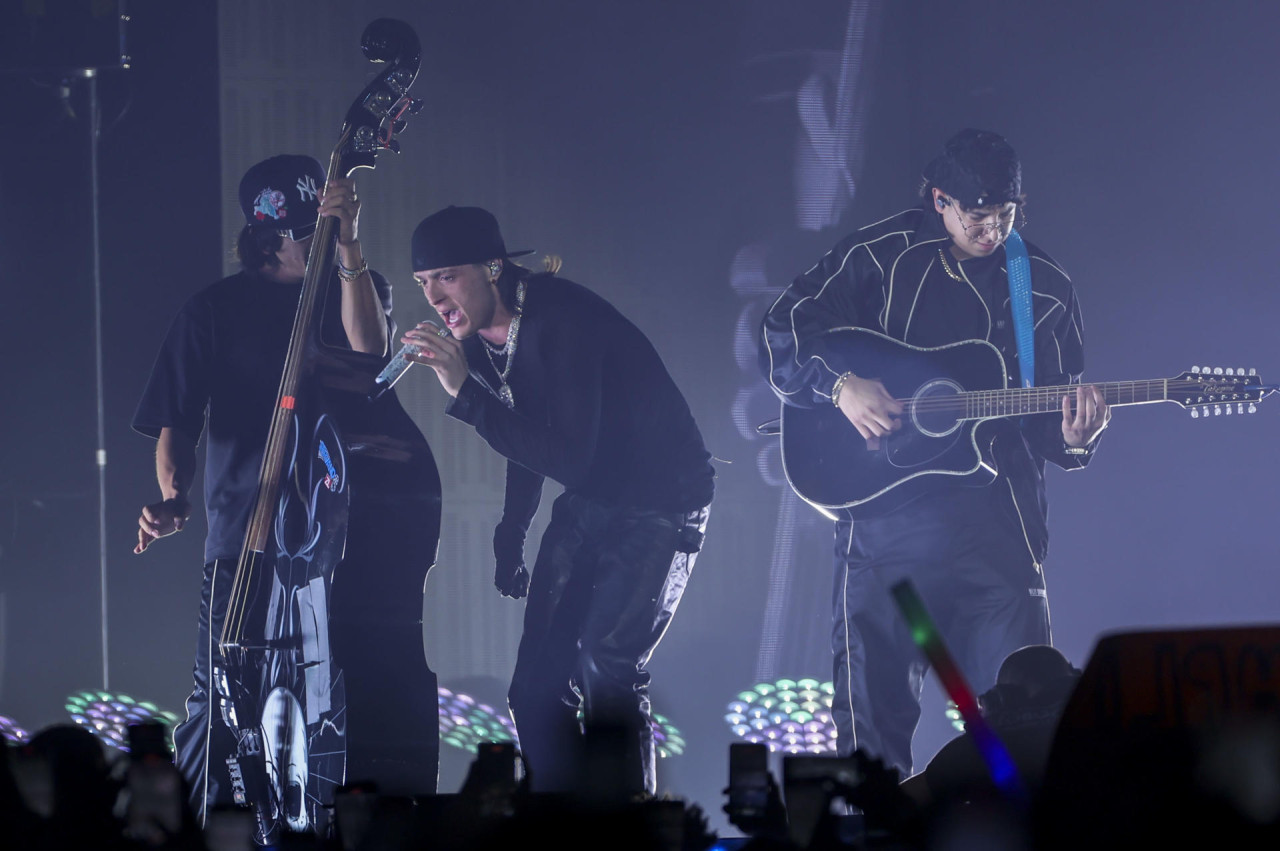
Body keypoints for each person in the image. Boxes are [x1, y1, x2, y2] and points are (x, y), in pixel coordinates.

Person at [759, 129, 1110, 777]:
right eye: (977, 215)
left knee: (1034, 720)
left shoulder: (1048, 289)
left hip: (998, 535)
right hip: (883, 524)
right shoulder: (880, 255)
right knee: (868, 731)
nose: (992, 229)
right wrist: (839, 385)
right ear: (940, 200)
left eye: (1006, 215)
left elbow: (1047, 421)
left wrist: (1074, 436)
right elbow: (784, 324)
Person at [132, 154, 440, 825]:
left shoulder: (354, 284)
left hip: (337, 545)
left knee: (333, 711)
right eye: (310, 231)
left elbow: (367, 354)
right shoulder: (213, 310)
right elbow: (174, 421)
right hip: (243, 535)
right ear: (267, 236)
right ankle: (198, 833)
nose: (321, 239)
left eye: (326, 225)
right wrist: (174, 494)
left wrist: (351, 245)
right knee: (218, 712)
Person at [400, 205, 714, 797]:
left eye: (446, 276)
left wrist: (465, 392)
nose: (435, 297)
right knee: (535, 689)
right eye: (423, 283)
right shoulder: (485, 339)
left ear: (492, 267)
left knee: (606, 668)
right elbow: (532, 436)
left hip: (661, 498)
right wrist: (509, 537)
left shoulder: (564, 320)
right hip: (594, 495)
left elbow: (566, 456)